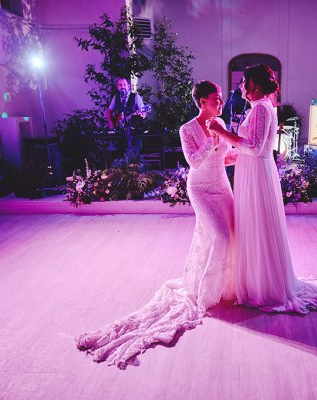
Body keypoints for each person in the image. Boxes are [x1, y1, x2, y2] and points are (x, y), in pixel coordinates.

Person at [76, 81, 237, 368]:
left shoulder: (221, 121)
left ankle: (225, 285)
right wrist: (213, 141)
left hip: (222, 186)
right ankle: (207, 293)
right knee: (221, 236)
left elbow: (224, 158)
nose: (221, 102)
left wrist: (246, 157)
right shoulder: (187, 129)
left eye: (221, 98)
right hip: (200, 189)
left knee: (232, 236)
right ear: (202, 102)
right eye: (216, 98)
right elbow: (194, 162)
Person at [207, 64, 317, 314]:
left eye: (244, 82)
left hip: (257, 175)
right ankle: (255, 281)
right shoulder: (259, 108)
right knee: (252, 226)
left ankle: (264, 287)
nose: (241, 86)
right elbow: (249, 148)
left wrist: (222, 133)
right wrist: (229, 155)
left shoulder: (262, 108)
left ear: (256, 86)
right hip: (251, 171)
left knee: (257, 225)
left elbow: (256, 148)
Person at [106, 76, 147, 152]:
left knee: (134, 156)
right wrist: (111, 125)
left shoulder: (136, 97)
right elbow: (109, 112)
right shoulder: (116, 98)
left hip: (133, 132)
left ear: (128, 86)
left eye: (124, 84)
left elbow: (143, 112)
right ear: (117, 87)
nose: (122, 87)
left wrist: (140, 117)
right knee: (121, 154)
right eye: (120, 85)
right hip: (120, 132)